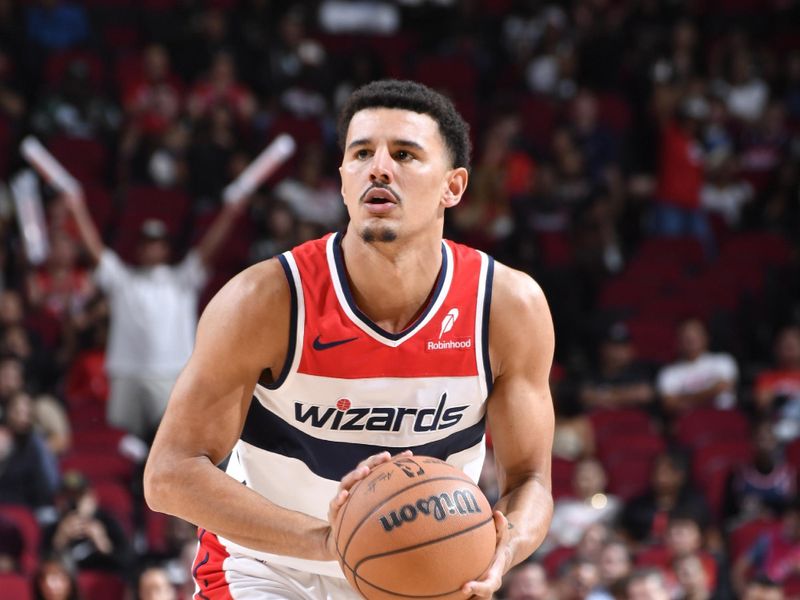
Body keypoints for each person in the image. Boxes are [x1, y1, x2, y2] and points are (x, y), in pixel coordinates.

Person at [144, 79, 556, 599]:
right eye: (361, 153)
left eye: (405, 154)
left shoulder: (506, 307)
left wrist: (505, 547)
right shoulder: (264, 300)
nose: (379, 167)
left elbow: (530, 482)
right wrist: (330, 542)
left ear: (453, 187)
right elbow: (169, 475)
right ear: (343, 181)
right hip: (267, 569)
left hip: (423, 573)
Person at [63, 184, 252, 441]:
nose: (152, 249)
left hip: (170, 372)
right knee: (122, 442)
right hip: (126, 373)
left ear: (166, 249)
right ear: (139, 248)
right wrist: (77, 208)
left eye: (158, 244)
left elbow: (209, 249)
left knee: (170, 442)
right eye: (147, 243)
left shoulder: (181, 280)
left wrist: (230, 213)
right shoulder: (124, 280)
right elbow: (95, 251)